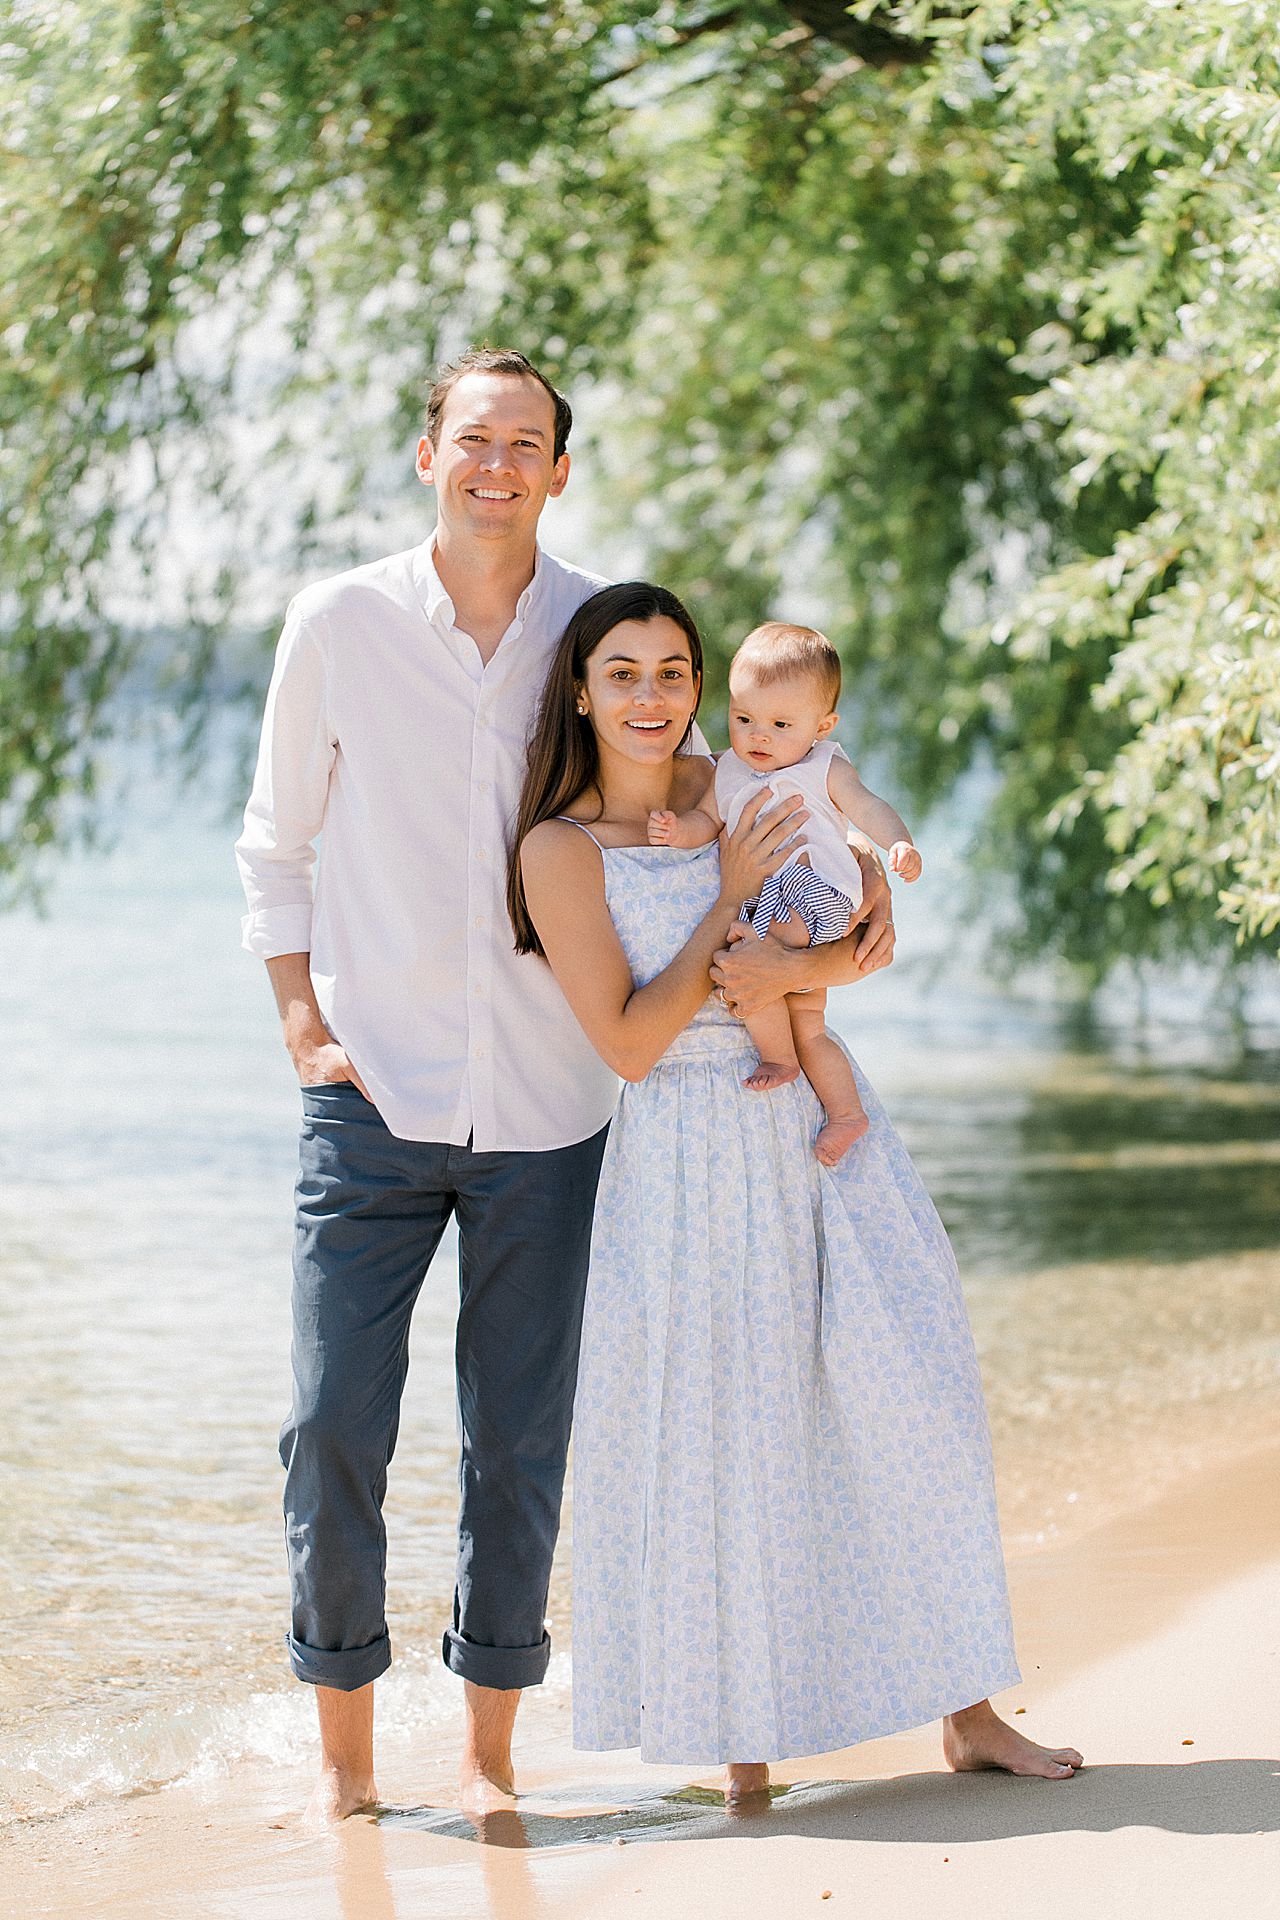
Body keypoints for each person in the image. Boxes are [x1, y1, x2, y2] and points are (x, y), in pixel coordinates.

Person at [235, 347, 897, 1824]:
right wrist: (300, 1028)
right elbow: (277, 841)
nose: (497, 465)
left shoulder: (595, 629)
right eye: (474, 439)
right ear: (429, 455)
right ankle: (344, 1772)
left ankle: (485, 1765)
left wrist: (850, 906)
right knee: (334, 1420)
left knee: (518, 1440)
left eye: (526, 443)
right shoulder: (336, 621)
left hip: (552, 1108)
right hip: (373, 1092)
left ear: (559, 467)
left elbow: (713, 785)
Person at [510, 582, 1083, 1801]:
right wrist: (730, 912)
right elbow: (624, 1044)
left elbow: (860, 951)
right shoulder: (558, 850)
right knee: (733, 1438)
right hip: (687, 1158)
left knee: (907, 1398)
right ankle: (744, 1748)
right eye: (623, 673)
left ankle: (971, 1710)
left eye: (672, 673)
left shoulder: (741, 782)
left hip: (815, 1128)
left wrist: (818, 940)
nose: (651, 696)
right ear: (580, 690)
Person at [649, 620, 921, 1164]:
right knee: (806, 1019)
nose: (758, 737)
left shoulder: (825, 768)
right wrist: (681, 832)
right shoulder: (727, 768)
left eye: (779, 724)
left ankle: (785, 1057)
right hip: (766, 895)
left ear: (822, 726)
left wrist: (897, 844)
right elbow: (709, 819)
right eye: (743, 719)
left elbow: (867, 808)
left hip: (817, 889)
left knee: (757, 952)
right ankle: (839, 1108)